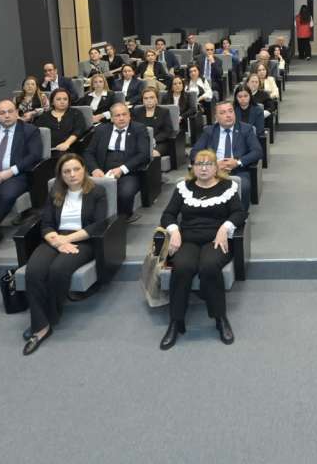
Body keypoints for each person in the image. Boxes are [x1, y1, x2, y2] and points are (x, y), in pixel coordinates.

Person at [159, 148, 246, 350]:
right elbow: (168, 214)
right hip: (187, 239)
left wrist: (225, 228)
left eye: (208, 164)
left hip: (216, 239)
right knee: (182, 267)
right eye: (199, 164)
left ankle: (220, 318)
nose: (204, 168)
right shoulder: (183, 187)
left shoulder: (228, 187)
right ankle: (176, 321)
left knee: (209, 266)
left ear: (216, 168)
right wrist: (174, 231)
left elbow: (239, 213)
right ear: (193, 167)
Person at [22, 153, 109, 354]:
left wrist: (66, 240)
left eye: (76, 169)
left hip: (83, 240)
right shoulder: (55, 191)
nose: (72, 174)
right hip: (55, 238)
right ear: (61, 175)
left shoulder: (98, 191)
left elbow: (97, 225)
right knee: (33, 271)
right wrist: (56, 241)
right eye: (66, 171)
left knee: (58, 270)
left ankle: (45, 322)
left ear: (84, 169)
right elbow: (46, 223)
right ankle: (41, 323)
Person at [0, 100, 44, 218]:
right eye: (2, 113)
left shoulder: (30, 131)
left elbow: (34, 155)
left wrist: (11, 171)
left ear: (16, 112)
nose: (7, 115)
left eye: (10, 111)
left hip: (15, 174)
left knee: (6, 195)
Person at [83, 102, 150, 219]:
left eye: (124, 114)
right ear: (112, 118)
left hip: (128, 170)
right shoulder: (101, 130)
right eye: (117, 115)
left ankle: (121, 219)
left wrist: (122, 169)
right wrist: (94, 169)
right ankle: (96, 219)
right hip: (102, 169)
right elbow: (88, 152)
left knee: (125, 193)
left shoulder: (139, 129)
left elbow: (143, 155)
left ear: (129, 116)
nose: (121, 118)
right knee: (87, 192)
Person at [191, 101, 261, 209]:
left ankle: (241, 215)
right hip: (212, 170)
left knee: (244, 186)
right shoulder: (209, 131)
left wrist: (238, 162)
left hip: (238, 170)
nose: (228, 115)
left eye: (230, 111)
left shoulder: (246, 129)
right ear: (216, 117)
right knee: (191, 185)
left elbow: (257, 151)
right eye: (223, 113)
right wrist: (213, 164)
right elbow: (194, 152)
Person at [36, 87, 86, 160]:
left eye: (65, 99)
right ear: (52, 102)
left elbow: (79, 130)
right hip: (50, 150)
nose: (62, 102)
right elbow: (38, 134)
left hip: (71, 149)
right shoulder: (44, 117)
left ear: (69, 101)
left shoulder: (76, 113)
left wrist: (67, 143)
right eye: (58, 99)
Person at [134, 87, 173, 158]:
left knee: (152, 153)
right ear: (142, 100)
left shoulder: (164, 111)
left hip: (159, 142)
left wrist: (154, 139)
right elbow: (134, 129)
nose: (148, 100)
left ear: (156, 99)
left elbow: (168, 131)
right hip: (141, 142)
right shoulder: (137, 111)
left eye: (151, 97)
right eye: (146, 98)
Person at [163, 76, 202, 145]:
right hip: (169, 121)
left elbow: (193, 109)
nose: (177, 85)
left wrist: (181, 117)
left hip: (182, 121)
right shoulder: (166, 97)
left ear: (183, 85)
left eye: (180, 83)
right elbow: (162, 110)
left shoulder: (188, 95)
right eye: (175, 84)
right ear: (171, 86)